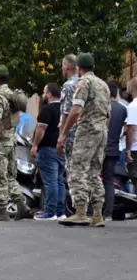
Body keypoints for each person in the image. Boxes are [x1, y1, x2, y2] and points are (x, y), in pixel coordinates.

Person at [58, 53, 110, 227]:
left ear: (79, 68)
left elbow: (76, 110)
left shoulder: (84, 82)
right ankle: (97, 214)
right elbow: (107, 114)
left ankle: (80, 211)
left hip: (87, 130)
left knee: (77, 168)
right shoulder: (104, 85)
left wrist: (64, 133)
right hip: (102, 131)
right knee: (94, 172)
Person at [0, 65, 34, 221]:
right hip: (11, 140)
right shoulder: (12, 95)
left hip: (0, 142)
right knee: (9, 176)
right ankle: (22, 206)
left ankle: (1, 211)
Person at [31, 83, 66, 220]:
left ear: (49, 94)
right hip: (60, 149)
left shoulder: (47, 109)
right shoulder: (64, 109)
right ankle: (60, 212)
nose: (43, 94)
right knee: (59, 181)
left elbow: (41, 129)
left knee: (50, 182)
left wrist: (34, 145)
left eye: (44, 92)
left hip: (47, 149)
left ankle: (50, 212)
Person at [102, 82, 127, 219]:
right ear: (116, 92)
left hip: (100, 148)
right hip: (114, 148)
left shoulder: (103, 107)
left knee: (94, 178)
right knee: (109, 180)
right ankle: (108, 213)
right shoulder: (123, 109)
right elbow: (126, 129)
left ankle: (94, 210)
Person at [60, 54, 80, 169]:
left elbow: (66, 114)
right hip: (87, 135)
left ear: (67, 66)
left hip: (71, 136)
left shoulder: (69, 86)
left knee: (72, 173)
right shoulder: (87, 83)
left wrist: (61, 136)